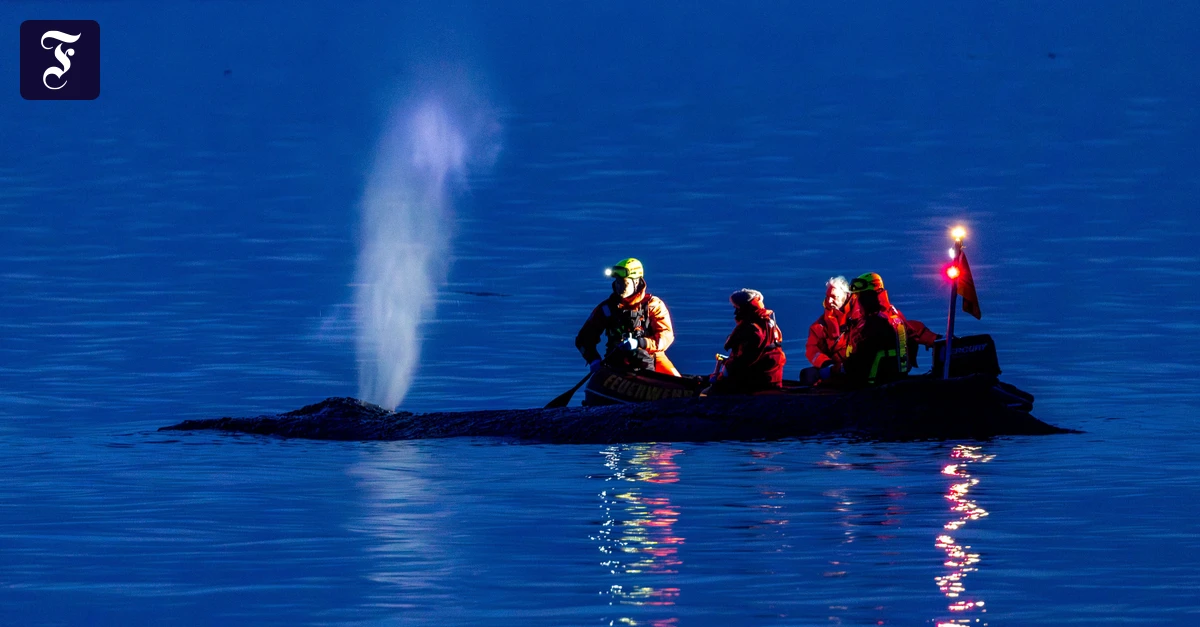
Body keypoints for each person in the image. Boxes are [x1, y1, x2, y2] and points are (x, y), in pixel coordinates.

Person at [575, 258, 680, 376]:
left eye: (624, 283)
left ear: (636, 282)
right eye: (617, 282)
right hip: (616, 360)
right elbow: (583, 339)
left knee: (678, 381)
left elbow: (665, 337)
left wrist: (640, 343)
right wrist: (593, 359)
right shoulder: (607, 309)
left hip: (652, 356)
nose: (619, 287)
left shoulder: (653, 305)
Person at [837, 273, 913, 386]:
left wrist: (831, 371)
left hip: (874, 386)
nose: (858, 302)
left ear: (869, 297)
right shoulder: (895, 317)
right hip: (895, 380)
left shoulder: (876, 323)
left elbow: (860, 361)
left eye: (859, 297)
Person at [708, 289, 786, 394]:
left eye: (737, 308)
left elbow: (743, 363)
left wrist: (723, 373)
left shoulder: (752, 329)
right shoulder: (771, 324)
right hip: (772, 379)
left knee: (709, 391)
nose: (735, 313)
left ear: (746, 308)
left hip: (754, 383)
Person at [806, 276, 851, 369]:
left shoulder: (859, 316)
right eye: (827, 296)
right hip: (834, 367)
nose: (829, 301)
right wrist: (826, 363)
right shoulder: (820, 325)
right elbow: (812, 349)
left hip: (857, 365)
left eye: (834, 297)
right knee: (807, 375)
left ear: (846, 295)